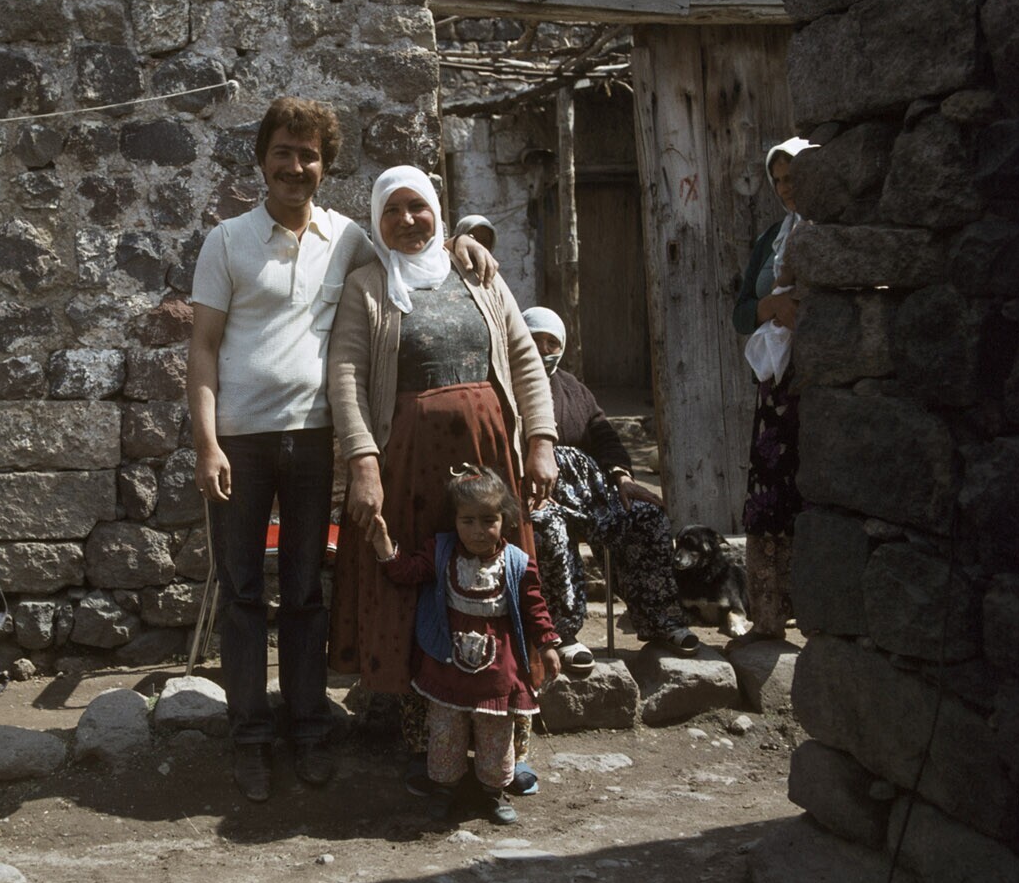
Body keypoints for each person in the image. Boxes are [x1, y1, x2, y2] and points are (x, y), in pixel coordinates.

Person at [188, 99, 495, 802]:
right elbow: (202, 349)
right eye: (283, 152)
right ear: (262, 158)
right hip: (240, 441)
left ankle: (307, 730)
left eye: (309, 155)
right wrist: (206, 443)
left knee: (304, 590)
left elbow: (411, 249)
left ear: (325, 166)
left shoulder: (346, 237)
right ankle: (250, 738)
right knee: (241, 593)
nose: (295, 167)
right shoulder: (227, 241)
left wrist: (462, 241)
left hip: (313, 438)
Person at [328, 165, 558, 796]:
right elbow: (346, 377)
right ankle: (430, 744)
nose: (407, 220)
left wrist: (540, 441)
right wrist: (363, 461)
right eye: (392, 210)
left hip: (489, 456)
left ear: (438, 210)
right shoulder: (367, 286)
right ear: (376, 221)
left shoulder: (477, 273)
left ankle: (506, 742)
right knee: (421, 588)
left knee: (496, 584)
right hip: (407, 468)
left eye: (418, 207)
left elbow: (524, 359)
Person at [368, 466, 562, 824]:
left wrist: (548, 645)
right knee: (446, 730)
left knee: (495, 733)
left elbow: (535, 608)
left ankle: (493, 792)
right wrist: (384, 545)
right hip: (447, 669)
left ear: (504, 520)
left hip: (497, 674)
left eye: (488, 520)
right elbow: (408, 572)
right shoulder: (441, 553)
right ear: (454, 520)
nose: (477, 531)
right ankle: (444, 789)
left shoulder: (517, 563)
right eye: (467, 521)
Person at [521, 306, 699, 660]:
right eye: (533, 340)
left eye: (551, 342)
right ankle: (562, 634)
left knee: (647, 517)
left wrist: (622, 476)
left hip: (587, 493)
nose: (543, 349)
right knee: (547, 527)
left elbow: (603, 435)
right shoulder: (506, 383)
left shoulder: (574, 389)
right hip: (537, 496)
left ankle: (661, 621)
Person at [732, 138, 819, 640]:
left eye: (794, 178)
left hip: (823, 381)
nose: (786, 188)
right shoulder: (772, 238)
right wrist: (772, 307)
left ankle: (818, 617)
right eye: (779, 180)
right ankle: (768, 617)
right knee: (769, 493)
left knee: (819, 494)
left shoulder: (830, 231)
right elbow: (742, 311)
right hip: (777, 387)